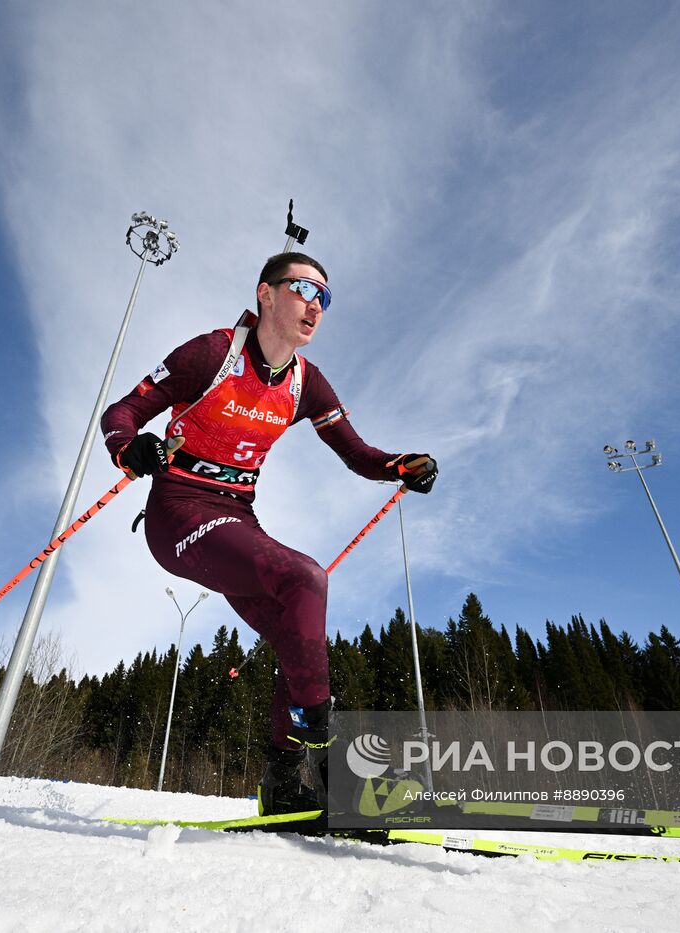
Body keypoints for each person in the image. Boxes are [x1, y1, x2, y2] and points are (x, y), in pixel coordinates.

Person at [100, 252, 437, 814]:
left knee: (294, 637)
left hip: (237, 516)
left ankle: (282, 781)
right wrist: (128, 446)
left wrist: (400, 465)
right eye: (304, 289)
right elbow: (123, 411)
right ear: (266, 294)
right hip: (179, 514)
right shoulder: (212, 354)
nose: (315, 305)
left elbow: (358, 454)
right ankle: (336, 766)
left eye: (324, 297)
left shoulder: (306, 382)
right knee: (305, 578)